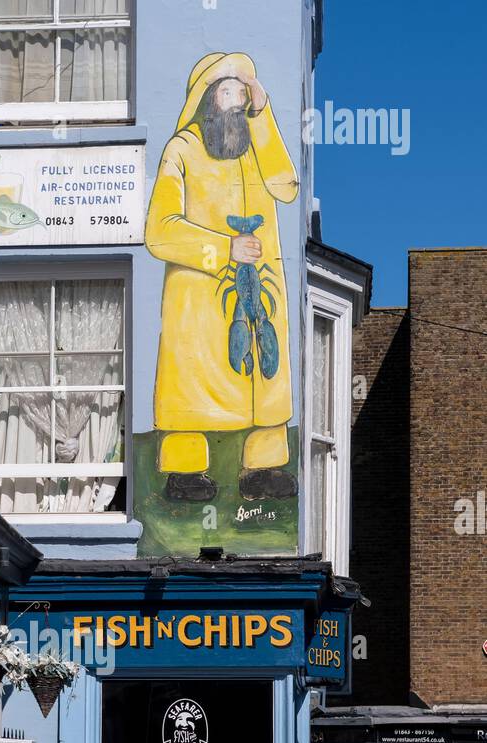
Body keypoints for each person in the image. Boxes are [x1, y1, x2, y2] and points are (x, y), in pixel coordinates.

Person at [145, 52, 299, 503]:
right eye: (227, 91)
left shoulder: (256, 146)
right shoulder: (181, 149)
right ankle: (186, 471)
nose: (235, 102)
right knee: (193, 378)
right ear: (207, 99)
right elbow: (159, 230)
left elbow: (286, 186)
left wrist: (264, 113)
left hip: (261, 292)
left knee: (266, 373)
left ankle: (263, 469)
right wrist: (223, 249)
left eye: (242, 92)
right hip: (198, 297)